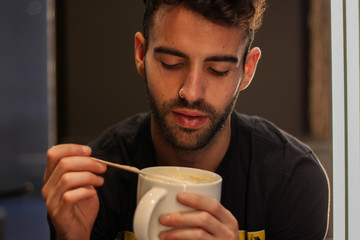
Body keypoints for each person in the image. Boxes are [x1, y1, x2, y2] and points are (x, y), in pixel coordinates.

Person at [42, 0, 330, 239]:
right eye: (172, 64)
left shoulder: (293, 181)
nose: (191, 93)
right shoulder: (96, 184)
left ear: (248, 69)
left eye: (217, 70)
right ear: (141, 54)